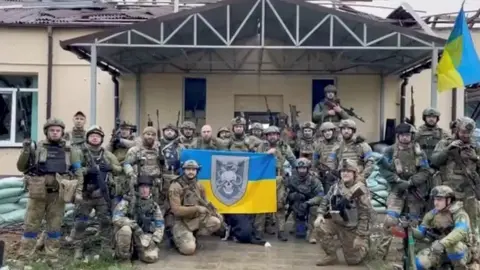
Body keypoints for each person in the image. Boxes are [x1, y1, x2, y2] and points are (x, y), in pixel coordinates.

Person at [16, 118, 83, 268]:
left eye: (57, 130)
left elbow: (78, 172)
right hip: (38, 194)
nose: (55, 133)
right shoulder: (37, 147)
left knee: (54, 228)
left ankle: (52, 259)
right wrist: (26, 150)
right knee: (30, 227)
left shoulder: (70, 150)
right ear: (47, 132)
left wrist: (78, 191)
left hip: (58, 195)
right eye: (52, 130)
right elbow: (21, 167)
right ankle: (24, 258)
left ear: (62, 132)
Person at [73, 125, 122, 260]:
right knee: (80, 223)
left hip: (101, 194)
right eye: (92, 136)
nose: (95, 138)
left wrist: (110, 167)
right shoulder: (81, 152)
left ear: (101, 139)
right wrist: (87, 170)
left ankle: (105, 248)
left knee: (105, 222)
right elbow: (73, 169)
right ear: (87, 138)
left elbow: (119, 169)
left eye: (98, 136)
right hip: (85, 194)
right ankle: (78, 248)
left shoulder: (106, 154)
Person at [315, 159, 373, 266]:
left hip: (352, 228)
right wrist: (320, 214)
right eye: (343, 171)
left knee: (353, 261)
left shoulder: (360, 190)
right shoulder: (337, 186)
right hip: (337, 222)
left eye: (348, 171)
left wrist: (360, 236)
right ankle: (331, 255)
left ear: (354, 173)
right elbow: (326, 199)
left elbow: (365, 215)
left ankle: (364, 246)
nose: (345, 173)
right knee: (319, 226)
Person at [431, 117, 480, 232]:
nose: (466, 135)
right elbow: (434, 161)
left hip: (469, 190)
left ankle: (471, 246)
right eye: (463, 132)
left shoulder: (476, 146)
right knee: (446, 222)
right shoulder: (445, 143)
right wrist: (449, 149)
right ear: (457, 130)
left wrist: (476, 158)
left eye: (469, 133)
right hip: (449, 190)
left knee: (471, 223)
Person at [166, 160, 222, 255]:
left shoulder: (199, 185)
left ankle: (192, 235)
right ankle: (177, 238)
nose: (191, 172)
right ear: (183, 170)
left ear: (197, 171)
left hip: (194, 218)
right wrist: (197, 208)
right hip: (180, 221)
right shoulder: (176, 186)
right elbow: (176, 210)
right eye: (188, 169)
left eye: (193, 169)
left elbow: (205, 202)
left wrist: (214, 211)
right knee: (189, 250)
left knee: (216, 221)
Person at [413, 185, 472, 269]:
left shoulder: (459, 214)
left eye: (439, 199)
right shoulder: (432, 214)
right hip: (438, 249)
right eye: (435, 199)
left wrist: (442, 243)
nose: (436, 203)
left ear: (449, 200)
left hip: (461, 249)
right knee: (418, 264)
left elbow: (460, 231)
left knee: (453, 247)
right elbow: (421, 233)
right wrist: (409, 229)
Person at [255, 125, 297, 241]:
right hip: (264, 179)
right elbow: (255, 161)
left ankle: (281, 231)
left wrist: (299, 172)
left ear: (278, 136)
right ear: (266, 136)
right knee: (262, 205)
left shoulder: (284, 147)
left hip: (279, 177)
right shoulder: (261, 146)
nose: (272, 136)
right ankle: (259, 230)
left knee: (280, 205)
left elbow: (293, 161)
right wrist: (266, 154)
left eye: (274, 134)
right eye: (269, 134)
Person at [112, 175, 164, 264]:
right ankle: (124, 259)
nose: (144, 190)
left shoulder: (154, 205)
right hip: (130, 234)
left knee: (151, 258)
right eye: (142, 187)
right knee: (125, 230)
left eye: (146, 187)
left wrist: (155, 240)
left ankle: (137, 252)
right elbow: (116, 217)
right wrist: (134, 225)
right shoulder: (128, 201)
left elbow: (160, 224)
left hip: (144, 236)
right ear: (137, 189)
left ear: (150, 189)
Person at [285, 157, 324, 243]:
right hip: (298, 204)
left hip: (311, 203)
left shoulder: (314, 180)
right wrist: (293, 196)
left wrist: (309, 202)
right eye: (300, 168)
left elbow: (320, 195)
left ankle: (312, 233)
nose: (302, 170)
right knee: (300, 234)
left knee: (314, 209)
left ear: (308, 168)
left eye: (304, 168)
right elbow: (286, 194)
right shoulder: (292, 179)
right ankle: (298, 224)